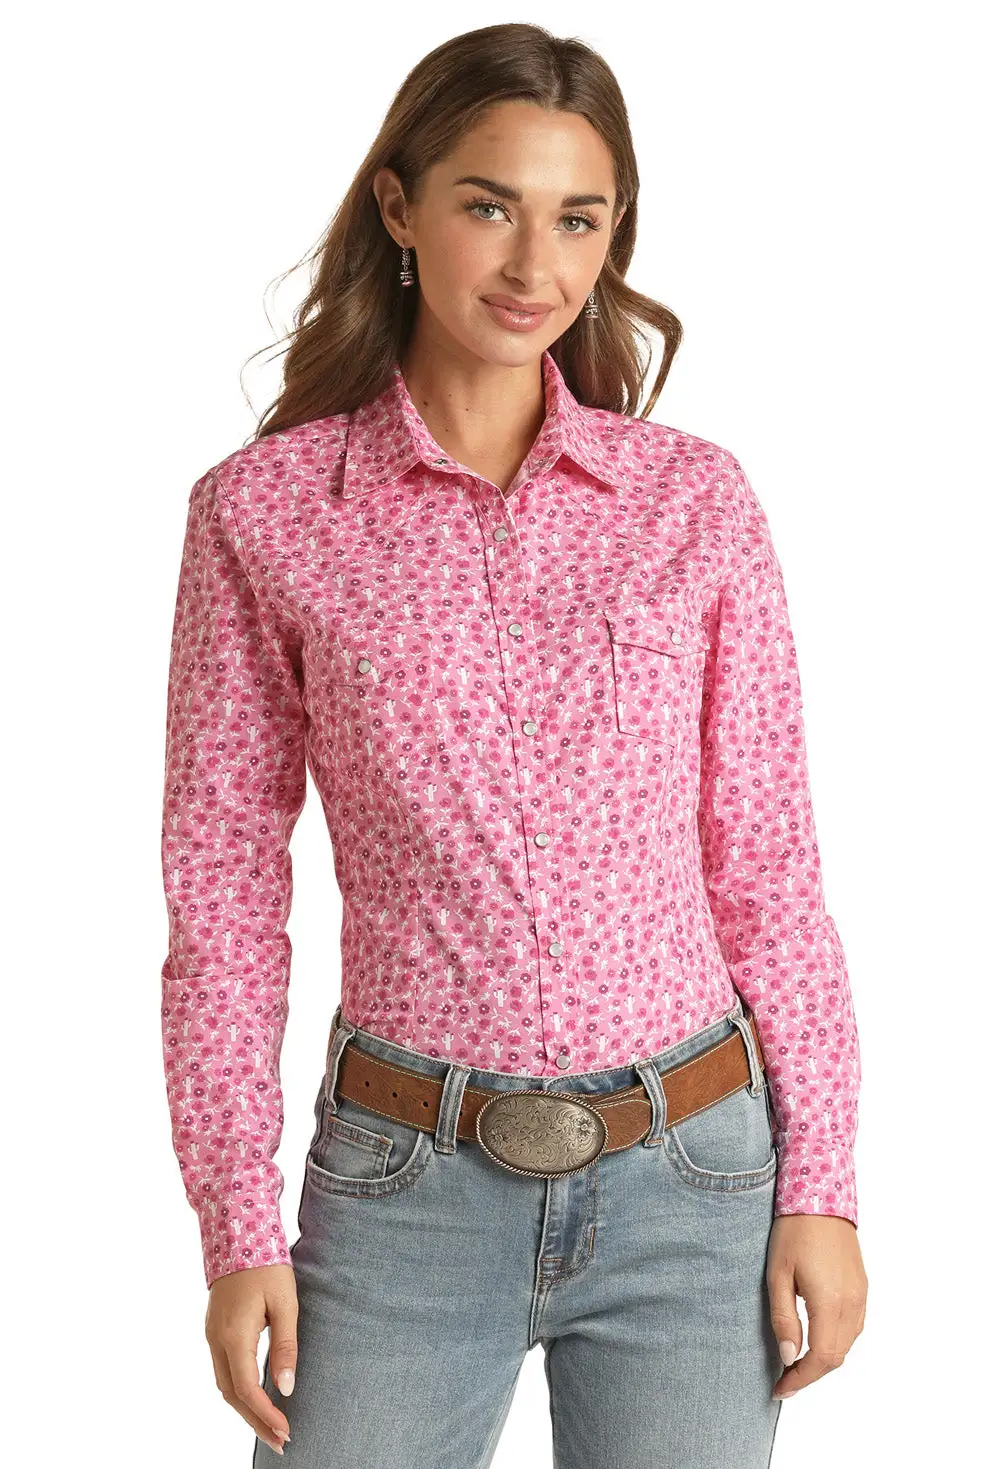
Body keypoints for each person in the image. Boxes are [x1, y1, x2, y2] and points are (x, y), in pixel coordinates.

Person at [159, 22, 866, 1467]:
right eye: (489, 205)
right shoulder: (265, 514)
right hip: (403, 1187)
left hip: (695, 1180)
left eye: (578, 219)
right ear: (399, 206)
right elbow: (222, 894)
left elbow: (768, 867)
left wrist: (826, 1187)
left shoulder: (693, 504)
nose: (534, 263)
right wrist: (236, 1225)